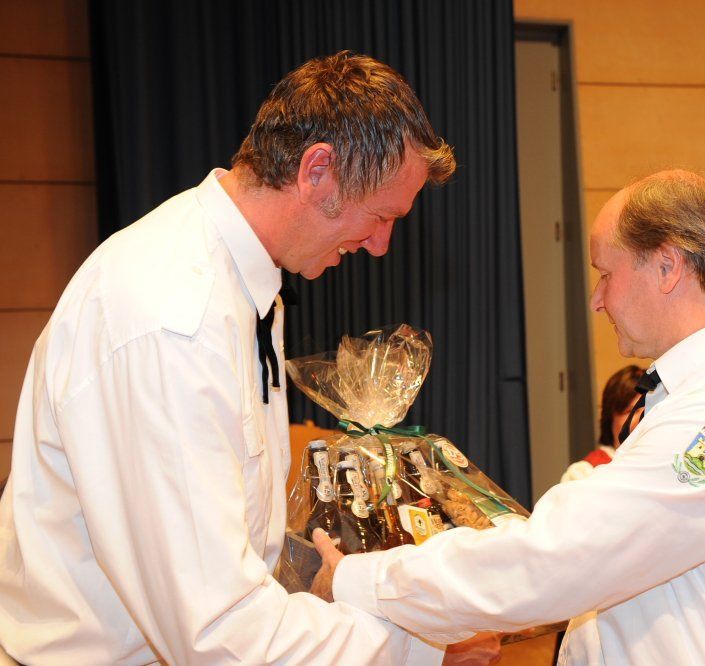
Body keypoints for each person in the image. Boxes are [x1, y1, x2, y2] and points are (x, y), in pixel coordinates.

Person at [0, 52, 459, 664]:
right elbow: (218, 633)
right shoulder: (175, 318)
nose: (380, 246)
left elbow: (229, 540)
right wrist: (421, 650)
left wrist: (332, 578)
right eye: (381, 216)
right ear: (317, 170)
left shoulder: (242, 279)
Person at [326, 169, 705, 664]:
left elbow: (560, 559)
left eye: (606, 274)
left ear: (667, 266)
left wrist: (361, 580)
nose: (597, 299)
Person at [560, 364, 643, 483]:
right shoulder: (584, 473)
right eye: (630, 411)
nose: (642, 419)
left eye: (649, 410)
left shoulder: (663, 463)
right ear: (610, 417)